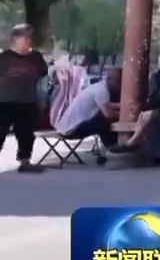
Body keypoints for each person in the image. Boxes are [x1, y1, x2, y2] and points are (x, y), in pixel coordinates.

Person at [0, 25, 49, 173]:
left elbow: (43, 78)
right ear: (15, 39)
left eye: (30, 37)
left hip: (28, 101)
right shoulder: (4, 58)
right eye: (25, 37)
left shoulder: (36, 57)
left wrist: (43, 99)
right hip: (4, 102)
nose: (29, 40)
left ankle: (25, 161)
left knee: (26, 134)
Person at [55, 67, 122, 154]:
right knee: (103, 120)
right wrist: (125, 114)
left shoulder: (99, 87)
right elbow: (108, 114)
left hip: (65, 128)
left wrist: (121, 105)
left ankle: (110, 147)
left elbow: (108, 105)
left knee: (102, 118)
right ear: (116, 81)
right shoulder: (102, 91)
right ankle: (111, 147)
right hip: (71, 130)